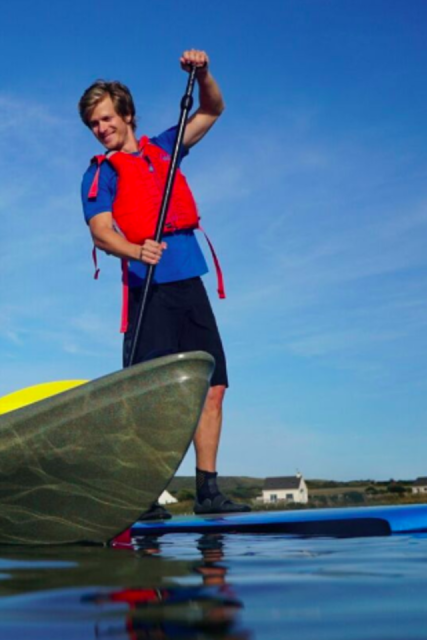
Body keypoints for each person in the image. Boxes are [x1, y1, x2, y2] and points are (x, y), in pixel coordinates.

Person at [78, 49, 248, 515]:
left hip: (188, 280)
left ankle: (208, 493)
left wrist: (204, 73)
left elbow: (212, 109)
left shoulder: (165, 147)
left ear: (127, 115)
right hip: (145, 286)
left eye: (107, 118)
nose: (101, 128)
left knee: (213, 386)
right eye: (94, 123)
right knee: (149, 395)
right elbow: (100, 229)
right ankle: (146, 494)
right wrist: (135, 250)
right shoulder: (99, 173)